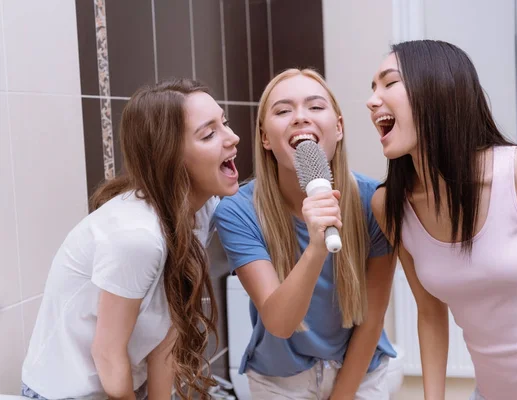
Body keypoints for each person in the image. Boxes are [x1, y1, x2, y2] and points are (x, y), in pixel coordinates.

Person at [368, 39, 517, 400]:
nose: (372, 100)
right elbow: (430, 312)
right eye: (372, 88)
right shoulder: (391, 205)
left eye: (389, 83)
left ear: (436, 88)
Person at [21, 78, 240, 400]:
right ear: (169, 156)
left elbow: (168, 326)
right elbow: (108, 354)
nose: (233, 137)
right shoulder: (137, 238)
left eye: (224, 123)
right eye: (209, 133)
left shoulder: (201, 210)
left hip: (122, 387)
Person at [213, 68, 397, 399]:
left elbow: (371, 319)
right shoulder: (237, 212)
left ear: (338, 128)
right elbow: (280, 323)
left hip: (360, 372)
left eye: (315, 107)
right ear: (265, 138)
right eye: (283, 111)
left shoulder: (375, 202)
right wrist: (315, 247)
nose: (300, 117)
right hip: (280, 380)